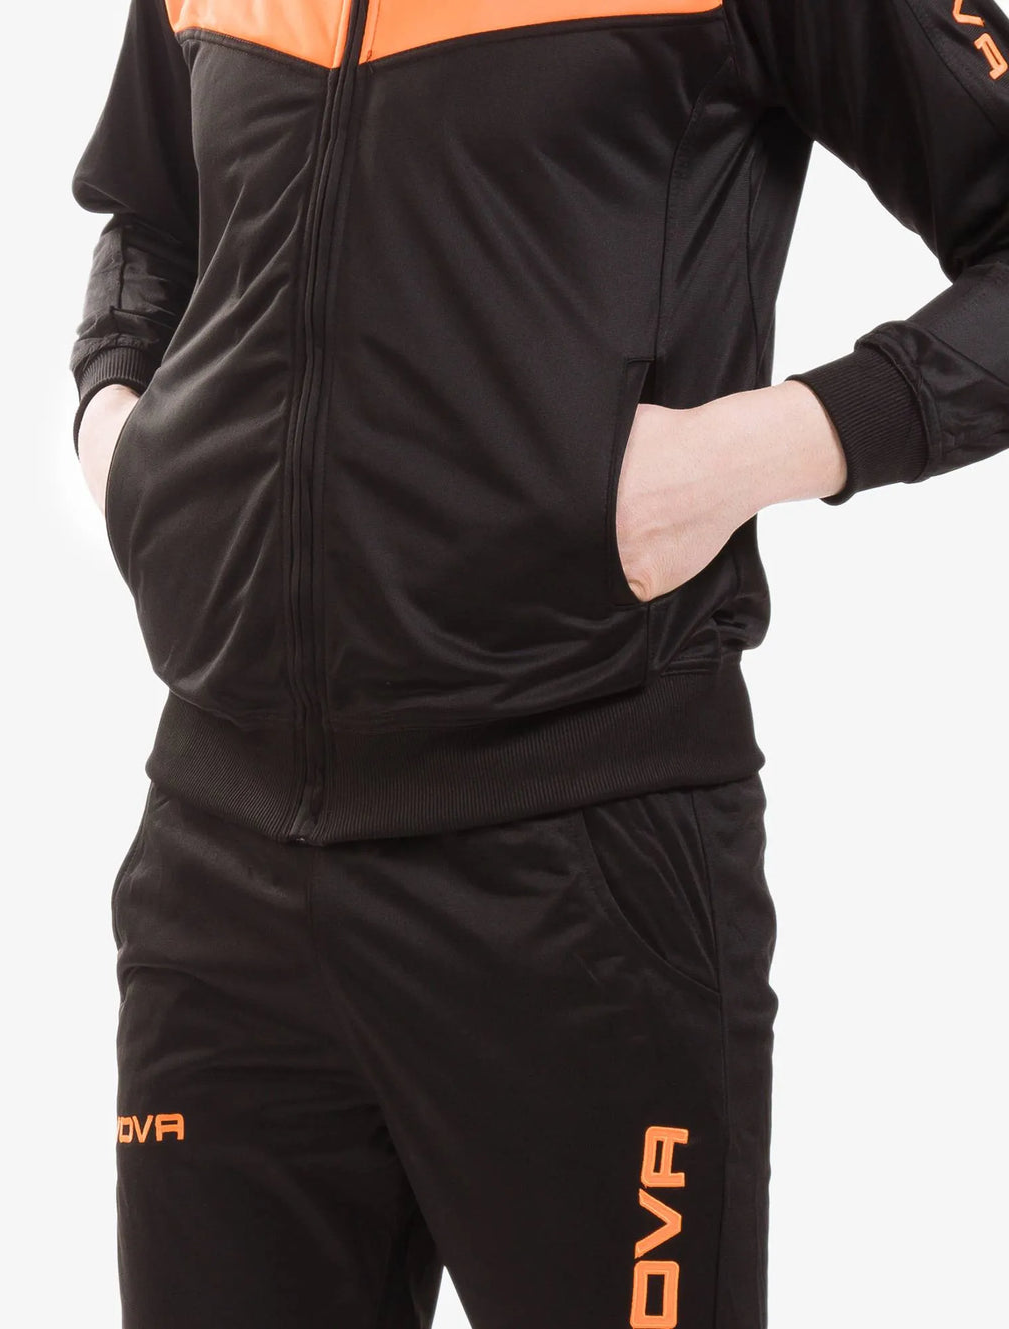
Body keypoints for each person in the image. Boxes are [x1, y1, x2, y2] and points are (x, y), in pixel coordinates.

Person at [69, 1, 1009, 1325]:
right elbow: (151, 218)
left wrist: (757, 451)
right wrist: (119, 433)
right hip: (218, 876)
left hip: (583, 871)